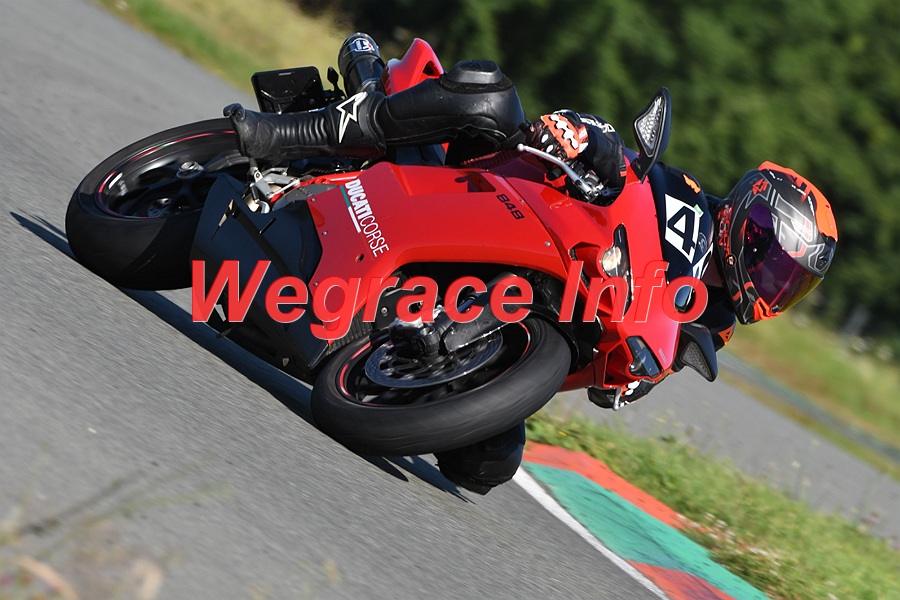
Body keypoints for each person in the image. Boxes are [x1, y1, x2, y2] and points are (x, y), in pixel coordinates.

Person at [224, 33, 838, 492]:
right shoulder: (685, 195)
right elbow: (623, 165)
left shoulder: (712, 323)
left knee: (488, 462)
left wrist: (630, 377)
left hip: (543, 309)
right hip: (503, 191)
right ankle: (294, 133)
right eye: (773, 262)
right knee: (489, 94)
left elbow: (625, 375)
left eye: (788, 282)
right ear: (749, 218)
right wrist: (586, 138)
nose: (771, 281)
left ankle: (384, 347)